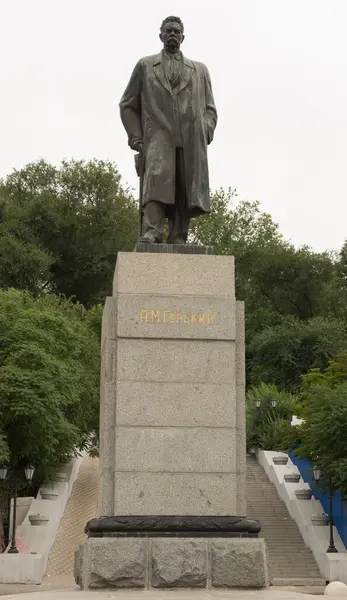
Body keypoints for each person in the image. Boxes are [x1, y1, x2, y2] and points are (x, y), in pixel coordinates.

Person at [119, 16, 217, 244]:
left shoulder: (200, 70)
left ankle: (179, 235)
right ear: (160, 35)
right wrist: (137, 138)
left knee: (185, 186)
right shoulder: (145, 66)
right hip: (158, 138)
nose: (172, 34)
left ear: (183, 36)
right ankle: (152, 231)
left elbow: (210, 109)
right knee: (156, 183)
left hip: (191, 140)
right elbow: (127, 105)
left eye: (176, 31)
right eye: (168, 30)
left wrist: (205, 129)